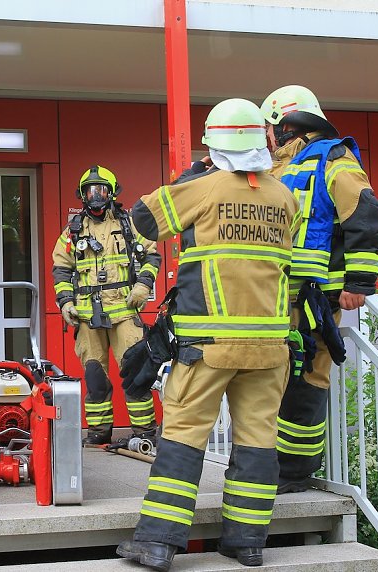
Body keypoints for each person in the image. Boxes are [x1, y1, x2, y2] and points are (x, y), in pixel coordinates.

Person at [116, 99, 299, 571]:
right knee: (258, 440)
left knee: (182, 437)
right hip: (271, 347)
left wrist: (188, 177)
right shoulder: (284, 196)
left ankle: (157, 542)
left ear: (213, 144)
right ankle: (247, 543)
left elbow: (142, 220)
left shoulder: (204, 185)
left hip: (207, 345)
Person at [260, 85, 378, 494]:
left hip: (316, 295)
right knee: (268, 375)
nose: (265, 134)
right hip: (274, 295)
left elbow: (367, 215)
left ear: (285, 124)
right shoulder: (277, 166)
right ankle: (264, 464)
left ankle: (294, 472)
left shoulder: (334, 159)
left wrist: (359, 283)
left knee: (308, 376)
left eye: (269, 126)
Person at [52, 165, 162, 446]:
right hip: (88, 315)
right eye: (90, 191)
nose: (96, 196)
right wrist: (65, 303)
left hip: (124, 310)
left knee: (135, 372)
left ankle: (145, 431)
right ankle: (99, 431)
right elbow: (61, 269)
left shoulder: (130, 225)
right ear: (82, 195)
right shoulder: (72, 232)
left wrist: (142, 286)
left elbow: (152, 256)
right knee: (95, 376)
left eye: (101, 190)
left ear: (112, 193)